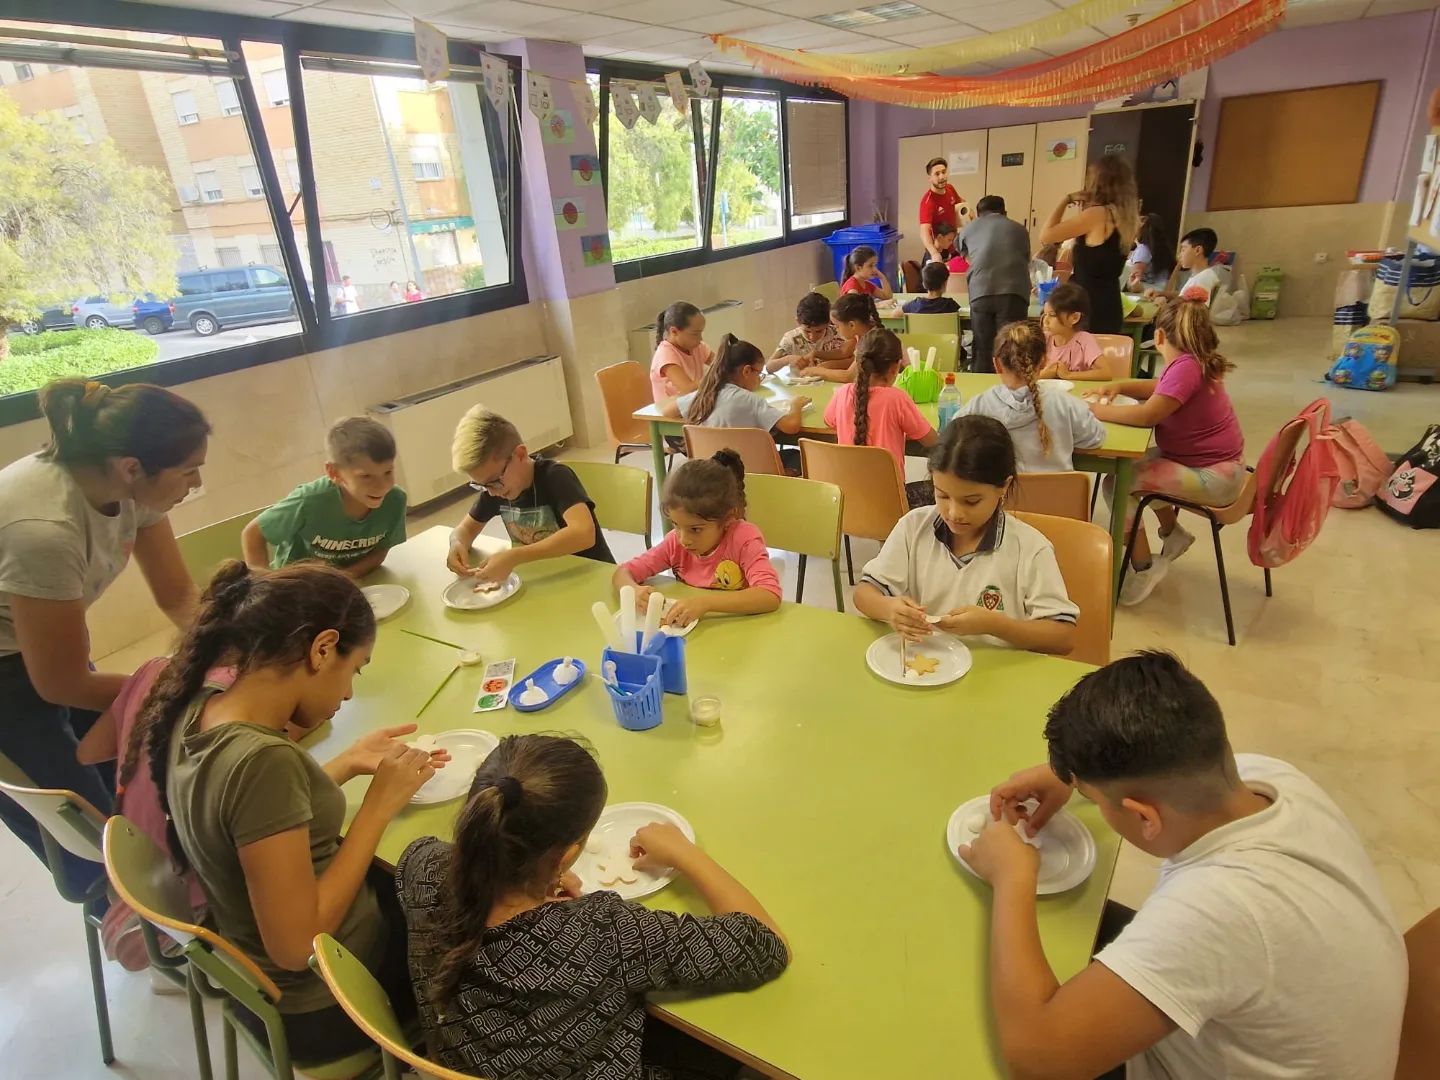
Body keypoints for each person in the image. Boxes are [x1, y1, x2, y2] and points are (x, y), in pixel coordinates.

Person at [961, 651, 1408, 1080]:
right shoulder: (1269, 778)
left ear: (1144, 817)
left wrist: (1013, 877)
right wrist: (1072, 778)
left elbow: (1039, 1063)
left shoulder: (1222, 909)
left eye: (1096, 802)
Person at [132, 561, 448, 1061]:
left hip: (268, 983)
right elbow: (296, 943)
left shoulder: (201, 707)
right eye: (354, 670)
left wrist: (344, 763)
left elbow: (250, 817)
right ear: (323, 649)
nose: (348, 694)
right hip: (330, 1004)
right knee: (480, 904)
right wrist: (377, 808)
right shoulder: (263, 762)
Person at [396, 734, 790, 1078]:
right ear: (567, 854)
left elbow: (453, 861)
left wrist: (534, 882)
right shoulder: (602, 932)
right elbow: (766, 944)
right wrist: (686, 853)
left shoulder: (420, 868)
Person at [0, 379, 208, 889]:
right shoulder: (44, 528)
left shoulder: (128, 483)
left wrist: (224, 654)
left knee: (130, 772)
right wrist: (185, 684)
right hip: (7, 670)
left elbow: (179, 595)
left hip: (39, 647)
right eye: (188, 471)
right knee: (89, 830)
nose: (198, 482)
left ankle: (166, 891)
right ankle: (124, 916)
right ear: (132, 468)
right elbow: (60, 683)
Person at [853, 415, 1078, 655]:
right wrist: (889, 609)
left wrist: (995, 625)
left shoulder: (1030, 548)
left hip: (997, 676)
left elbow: (1063, 638)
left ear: (1004, 486)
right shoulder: (914, 527)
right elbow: (864, 594)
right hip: (929, 669)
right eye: (942, 496)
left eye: (971, 501)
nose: (954, 513)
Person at [1085, 299, 1245, 606]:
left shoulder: (1186, 368)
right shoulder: (1193, 361)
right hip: (1217, 464)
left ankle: (1144, 567)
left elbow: (1147, 416)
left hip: (1215, 476)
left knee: (1117, 485)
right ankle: (1173, 534)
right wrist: (1120, 387)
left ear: (1159, 336)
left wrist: (1094, 410)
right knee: (1133, 469)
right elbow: (1161, 387)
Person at [613, 451, 782, 629]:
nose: (684, 540)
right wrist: (632, 590)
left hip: (738, 631)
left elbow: (769, 595)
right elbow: (622, 573)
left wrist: (706, 604)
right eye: (676, 525)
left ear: (727, 518)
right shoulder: (674, 542)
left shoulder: (743, 539)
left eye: (696, 529)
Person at [447, 407, 613, 581]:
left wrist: (515, 556)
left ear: (520, 454)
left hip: (592, 577)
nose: (491, 491)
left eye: (494, 481)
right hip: (545, 581)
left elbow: (583, 533)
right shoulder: (495, 490)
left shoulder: (555, 477)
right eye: (481, 486)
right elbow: (464, 529)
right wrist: (457, 543)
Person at [241, 416, 406, 579]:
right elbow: (253, 534)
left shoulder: (395, 500)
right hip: (295, 587)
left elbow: (381, 550)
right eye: (366, 476)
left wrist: (345, 577)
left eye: (388, 472)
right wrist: (263, 587)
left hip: (349, 584)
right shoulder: (308, 501)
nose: (382, 485)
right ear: (334, 473)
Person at [963, 320, 1105, 473]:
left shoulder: (978, 406)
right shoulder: (1067, 404)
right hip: (1058, 496)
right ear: (1044, 362)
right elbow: (1096, 437)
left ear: (997, 364)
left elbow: (952, 435)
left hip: (1003, 496)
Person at [824, 328, 938, 508]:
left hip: (848, 504)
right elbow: (932, 441)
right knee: (942, 489)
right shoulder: (896, 398)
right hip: (891, 504)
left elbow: (829, 421)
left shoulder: (842, 393)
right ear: (895, 367)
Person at [663, 334, 807, 471]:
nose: (759, 378)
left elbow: (667, 412)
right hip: (751, 472)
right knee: (797, 457)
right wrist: (796, 405)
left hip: (711, 474)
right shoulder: (751, 400)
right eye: (759, 373)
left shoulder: (704, 396)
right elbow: (791, 426)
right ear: (746, 371)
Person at [1039, 155, 1139, 335]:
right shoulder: (1128, 219)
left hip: (1085, 306)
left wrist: (1066, 199)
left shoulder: (1097, 215)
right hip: (1111, 304)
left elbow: (1047, 236)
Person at [958, 194, 1031, 374]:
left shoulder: (969, 228)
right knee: (1011, 346)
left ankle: (981, 394)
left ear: (979, 213)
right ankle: (1012, 392)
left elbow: (964, 254)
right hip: (1014, 293)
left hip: (980, 292)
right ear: (1004, 212)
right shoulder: (1020, 230)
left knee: (982, 347)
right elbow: (1026, 259)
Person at [1037, 282, 1123, 382]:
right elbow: (1023, 374)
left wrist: (1069, 375)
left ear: (1074, 318)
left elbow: (1105, 373)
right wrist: (1043, 374)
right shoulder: (1043, 339)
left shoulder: (1083, 340)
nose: (1045, 320)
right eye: (1045, 314)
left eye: (1052, 315)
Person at [767, 292, 848, 373]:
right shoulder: (791, 339)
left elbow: (852, 361)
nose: (812, 337)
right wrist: (787, 359)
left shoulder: (838, 334)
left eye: (819, 331)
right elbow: (769, 367)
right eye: (807, 331)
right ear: (798, 321)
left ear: (829, 323)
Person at [811, 292, 883, 384]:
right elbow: (855, 361)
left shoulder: (872, 341)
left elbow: (849, 377)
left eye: (837, 326)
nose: (836, 330)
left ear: (851, 325)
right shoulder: (863, 335)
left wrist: (815, 371)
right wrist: (826, 365)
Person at [649, 301, 712, 401]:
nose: (700, 339)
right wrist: (716, 378)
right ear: (674, 331)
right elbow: (688, 389)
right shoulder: (665, 355)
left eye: (700, 333)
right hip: (670, 414)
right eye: (695, 334)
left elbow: (721, 363)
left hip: (690, 407)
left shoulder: (697, 347)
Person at [1149, 227, 1223, 304]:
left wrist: (1163, 306)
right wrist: (1160, 293)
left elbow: (1192, 314)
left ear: (1198, 250)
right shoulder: (1201, 275)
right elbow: (1183, 296)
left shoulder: (1202, 281)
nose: (1180, 255)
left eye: (1183, 249)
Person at [919, 156, 968, 265]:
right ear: (930, 178)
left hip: (954, 245)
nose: (941, 176)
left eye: (943, 172)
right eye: (937, 174)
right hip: (938, 250)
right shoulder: (928, 202)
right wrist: (934, 253)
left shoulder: (950, 188)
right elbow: (924, 232)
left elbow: (961, 204)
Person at [1127, 213, 1175, 291]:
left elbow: (1133, 281)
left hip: (1148, 291)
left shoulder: (1142, 249)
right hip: (1164, 289)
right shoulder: (1163, 248)